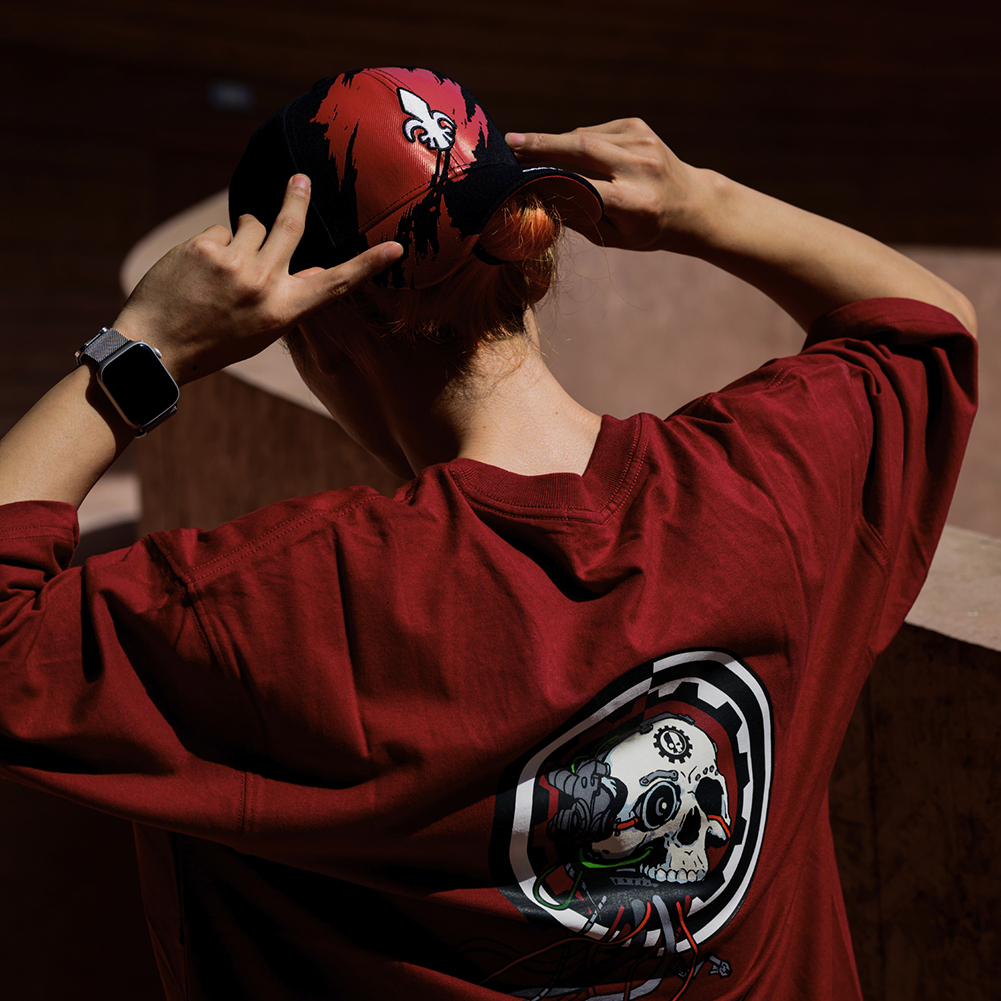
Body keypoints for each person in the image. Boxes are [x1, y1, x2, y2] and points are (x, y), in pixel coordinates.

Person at [0, 66, 977, 1001]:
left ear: (314, 328)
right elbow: (919, 323)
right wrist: (700, 202)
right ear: (530, 262)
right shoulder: (763, 489)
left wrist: (147, 347)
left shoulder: (290, 607)